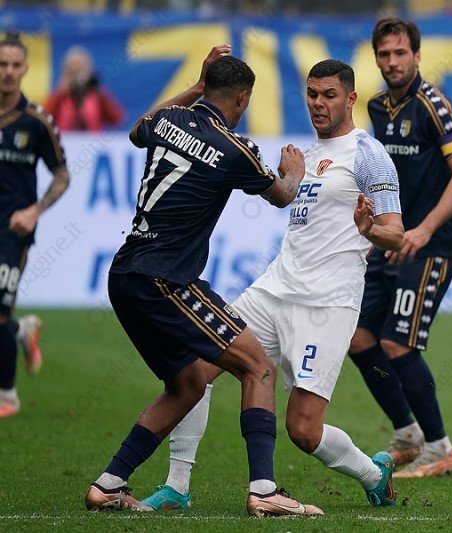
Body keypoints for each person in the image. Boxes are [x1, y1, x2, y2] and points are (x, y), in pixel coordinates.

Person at [140, 58, 404, 511]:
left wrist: (369, 230)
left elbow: (395, 233)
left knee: (303, 430)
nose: (318, 103)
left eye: (329, 95)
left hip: (327, 304)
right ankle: (177, 487)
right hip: (273, 291)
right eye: (312, 94)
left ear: (351, 99)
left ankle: (373, 474)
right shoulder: (306, 154)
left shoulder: (368, 154)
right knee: (194, 371)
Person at [84, 44, 323, 517]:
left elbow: (135, 130)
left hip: (124, 274)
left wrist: (194, 86)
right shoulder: (235, 149)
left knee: (188, 384)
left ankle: (108, 484)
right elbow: (280, 196)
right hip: (166, 280)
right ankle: (264, 491)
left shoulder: (166, 120)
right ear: (243, 98)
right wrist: (294, 174)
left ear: (205, 87)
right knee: (258, 367)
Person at [347, 16, 452, 479]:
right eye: (384, 54)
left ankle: (439, 447)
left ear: (417, 56)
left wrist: (421, 231)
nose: (392, 61)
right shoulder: (378, 107)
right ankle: (408, 433)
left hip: (432, 246)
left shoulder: (433, 105)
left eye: (400, 53)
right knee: (358, 337)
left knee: (397, 343)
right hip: (391, 242)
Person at [0, 31, 70, 418]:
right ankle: (22, 332)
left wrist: (34, 212)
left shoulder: (37, 121)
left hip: (13, 230)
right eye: (2, 64)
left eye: (15, 65)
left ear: (26, 68)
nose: (8, 72)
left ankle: (7, 396)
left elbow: (62, 174)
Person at [44, 45, 124, 132]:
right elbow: (44, 118)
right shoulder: (60, 97)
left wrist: (100, 92)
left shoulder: (97, 96)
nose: (77, 77)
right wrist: (59, 92)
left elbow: (118, 118)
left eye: (81, 70)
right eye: (73, 72)